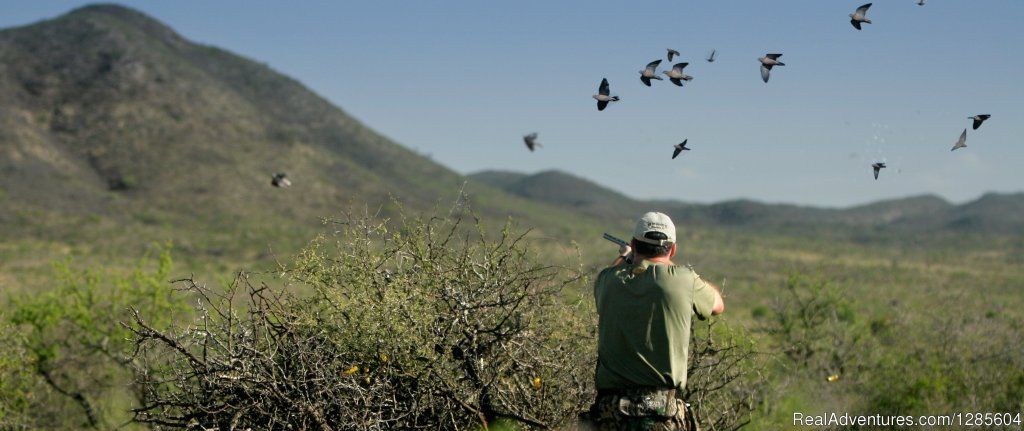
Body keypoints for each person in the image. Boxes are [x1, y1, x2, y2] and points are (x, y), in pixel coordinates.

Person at [587, 212, 725, 431]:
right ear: (673, 249)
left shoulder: (608, 280)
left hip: (611, 413)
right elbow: (717, 304)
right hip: (665, 413)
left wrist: (625, 257)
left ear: (633, 243)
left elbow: (610, 275)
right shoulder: (684, 279)